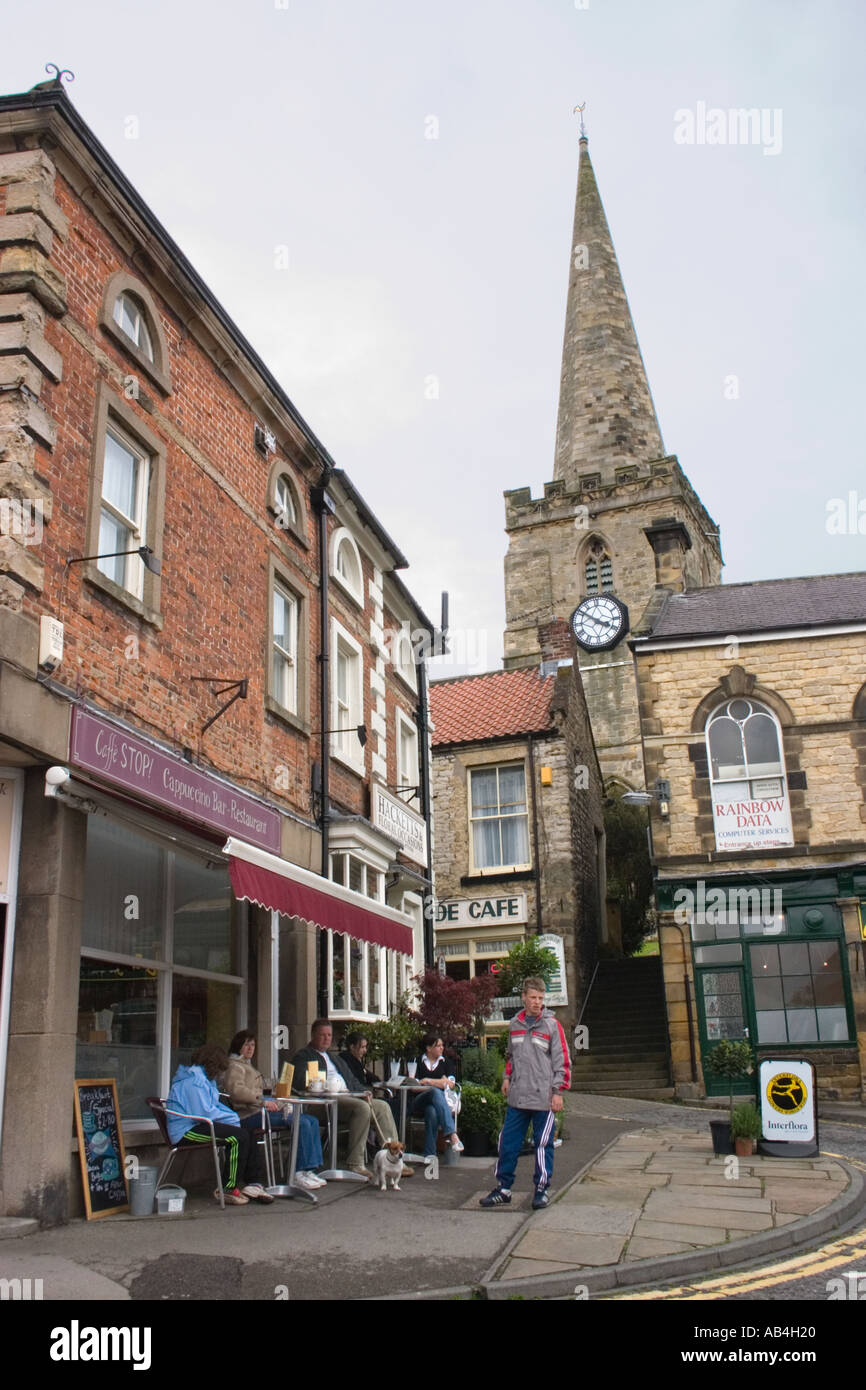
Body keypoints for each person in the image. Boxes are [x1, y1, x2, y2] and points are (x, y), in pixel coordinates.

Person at [479, 977, 569, 1211]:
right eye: (533, 998)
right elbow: (510, 1056)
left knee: (542, 1144)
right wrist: (507, 1078)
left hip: (543, 1098)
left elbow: (563, 1061)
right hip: (518, 1096)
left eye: (541, 998)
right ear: (524, 998)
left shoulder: (552, 1026)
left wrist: (558, 1092)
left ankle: (541, 1190)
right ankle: (503, 1189)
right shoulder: (515, 1025)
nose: (537, 1002)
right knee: (507, 1142)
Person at [292, 1019, 412, 1179]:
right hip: (321, 1103)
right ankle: (355, 1163)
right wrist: (317, 1083)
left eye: (329, 1035)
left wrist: (364, 1091)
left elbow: (352, 1080)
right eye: (322, 1035)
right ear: (313, 1035)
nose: (327, 1038)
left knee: (382, 1106)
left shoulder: (334, 1059)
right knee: (361, 1108)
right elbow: (298, 1081)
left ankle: (394, 1159)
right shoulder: (303, 1056)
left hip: (346, 1098)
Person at [164, 1043, 274, 1205]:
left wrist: (233, 1119)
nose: (219, 1075)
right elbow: (204, 1113)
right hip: (186, 1130)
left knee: (248, 1131)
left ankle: (253, 1183)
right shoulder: (193, 1082)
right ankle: (228, 1188)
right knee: (238, 1137)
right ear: (212, 1065)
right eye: (218, 1070)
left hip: (199, 1124)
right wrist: (233, 1120)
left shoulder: (202, 1079)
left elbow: (213, 1107)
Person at [221, 1030, 327, 1191]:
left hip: (260, 1111)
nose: (250, 1048)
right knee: (302, 1122)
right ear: (238, 1046)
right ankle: (298, 1171)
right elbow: (237, 1091)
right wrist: (262, 1100)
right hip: (249, 1115)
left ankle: (309, 1169)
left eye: (253, 1044)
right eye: (246, 1044)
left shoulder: (247, 1065)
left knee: (311, 1120)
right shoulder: (235, 1066)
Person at [410, 1033, 463, 1157]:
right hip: (419, 1101)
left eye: (442, 1045)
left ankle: (430, 1155)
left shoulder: (446, 1063)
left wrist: (428, 1081)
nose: (442, 1048)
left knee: (432, 1111)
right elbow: (413, 1085)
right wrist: (440, 1082)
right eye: (438, 1045)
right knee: (434, 1091)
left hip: (437, 1106)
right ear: (428, 1048)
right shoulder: (416, 1062)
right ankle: (451, 1133)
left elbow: (450, 1085)